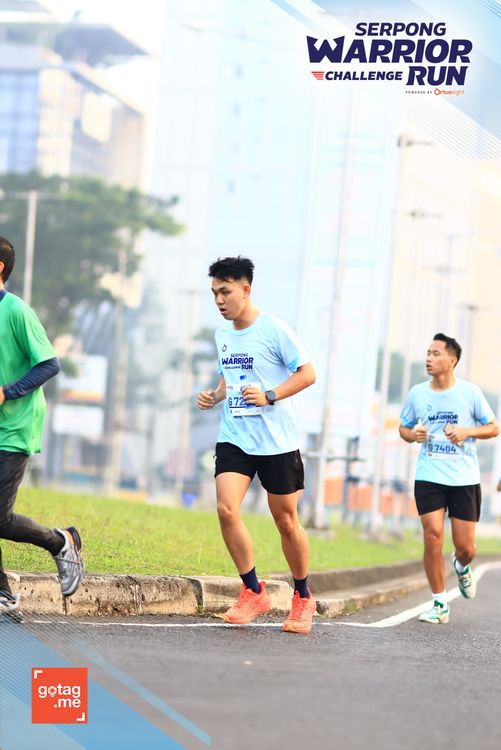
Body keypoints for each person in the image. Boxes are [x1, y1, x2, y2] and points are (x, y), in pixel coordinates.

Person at [197, 256, 317, 634]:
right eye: (214, 293)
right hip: (235, 436)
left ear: (246, 290)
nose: (219, 300)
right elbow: (229, 375)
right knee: (226, 508)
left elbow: (308, 374)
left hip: (277, 441)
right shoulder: (222, 335)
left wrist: (270, 395)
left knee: (286, 521)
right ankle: (252, 590)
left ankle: (303, 597)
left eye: (225, 292)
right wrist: (216, 395)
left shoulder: (273, 329)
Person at [0, 236, 84, 621]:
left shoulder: (17, 311)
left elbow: (50, 364)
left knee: (0, 518)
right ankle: (3, 594)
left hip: (15, 427)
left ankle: (61, 542)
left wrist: (8, 391)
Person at [399, 333, 499, 624]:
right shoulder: (417, 393)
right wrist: (413, 435)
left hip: (464, 478)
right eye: (427, 353)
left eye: (436, 354)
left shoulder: (470, 393)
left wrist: (466, 432)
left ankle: (461, 565)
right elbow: (403, 429)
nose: (428, 358)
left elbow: (494, 428)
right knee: (432, 536)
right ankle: (440, 603)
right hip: (429, 475)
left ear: (452, 360)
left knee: (467, 548)